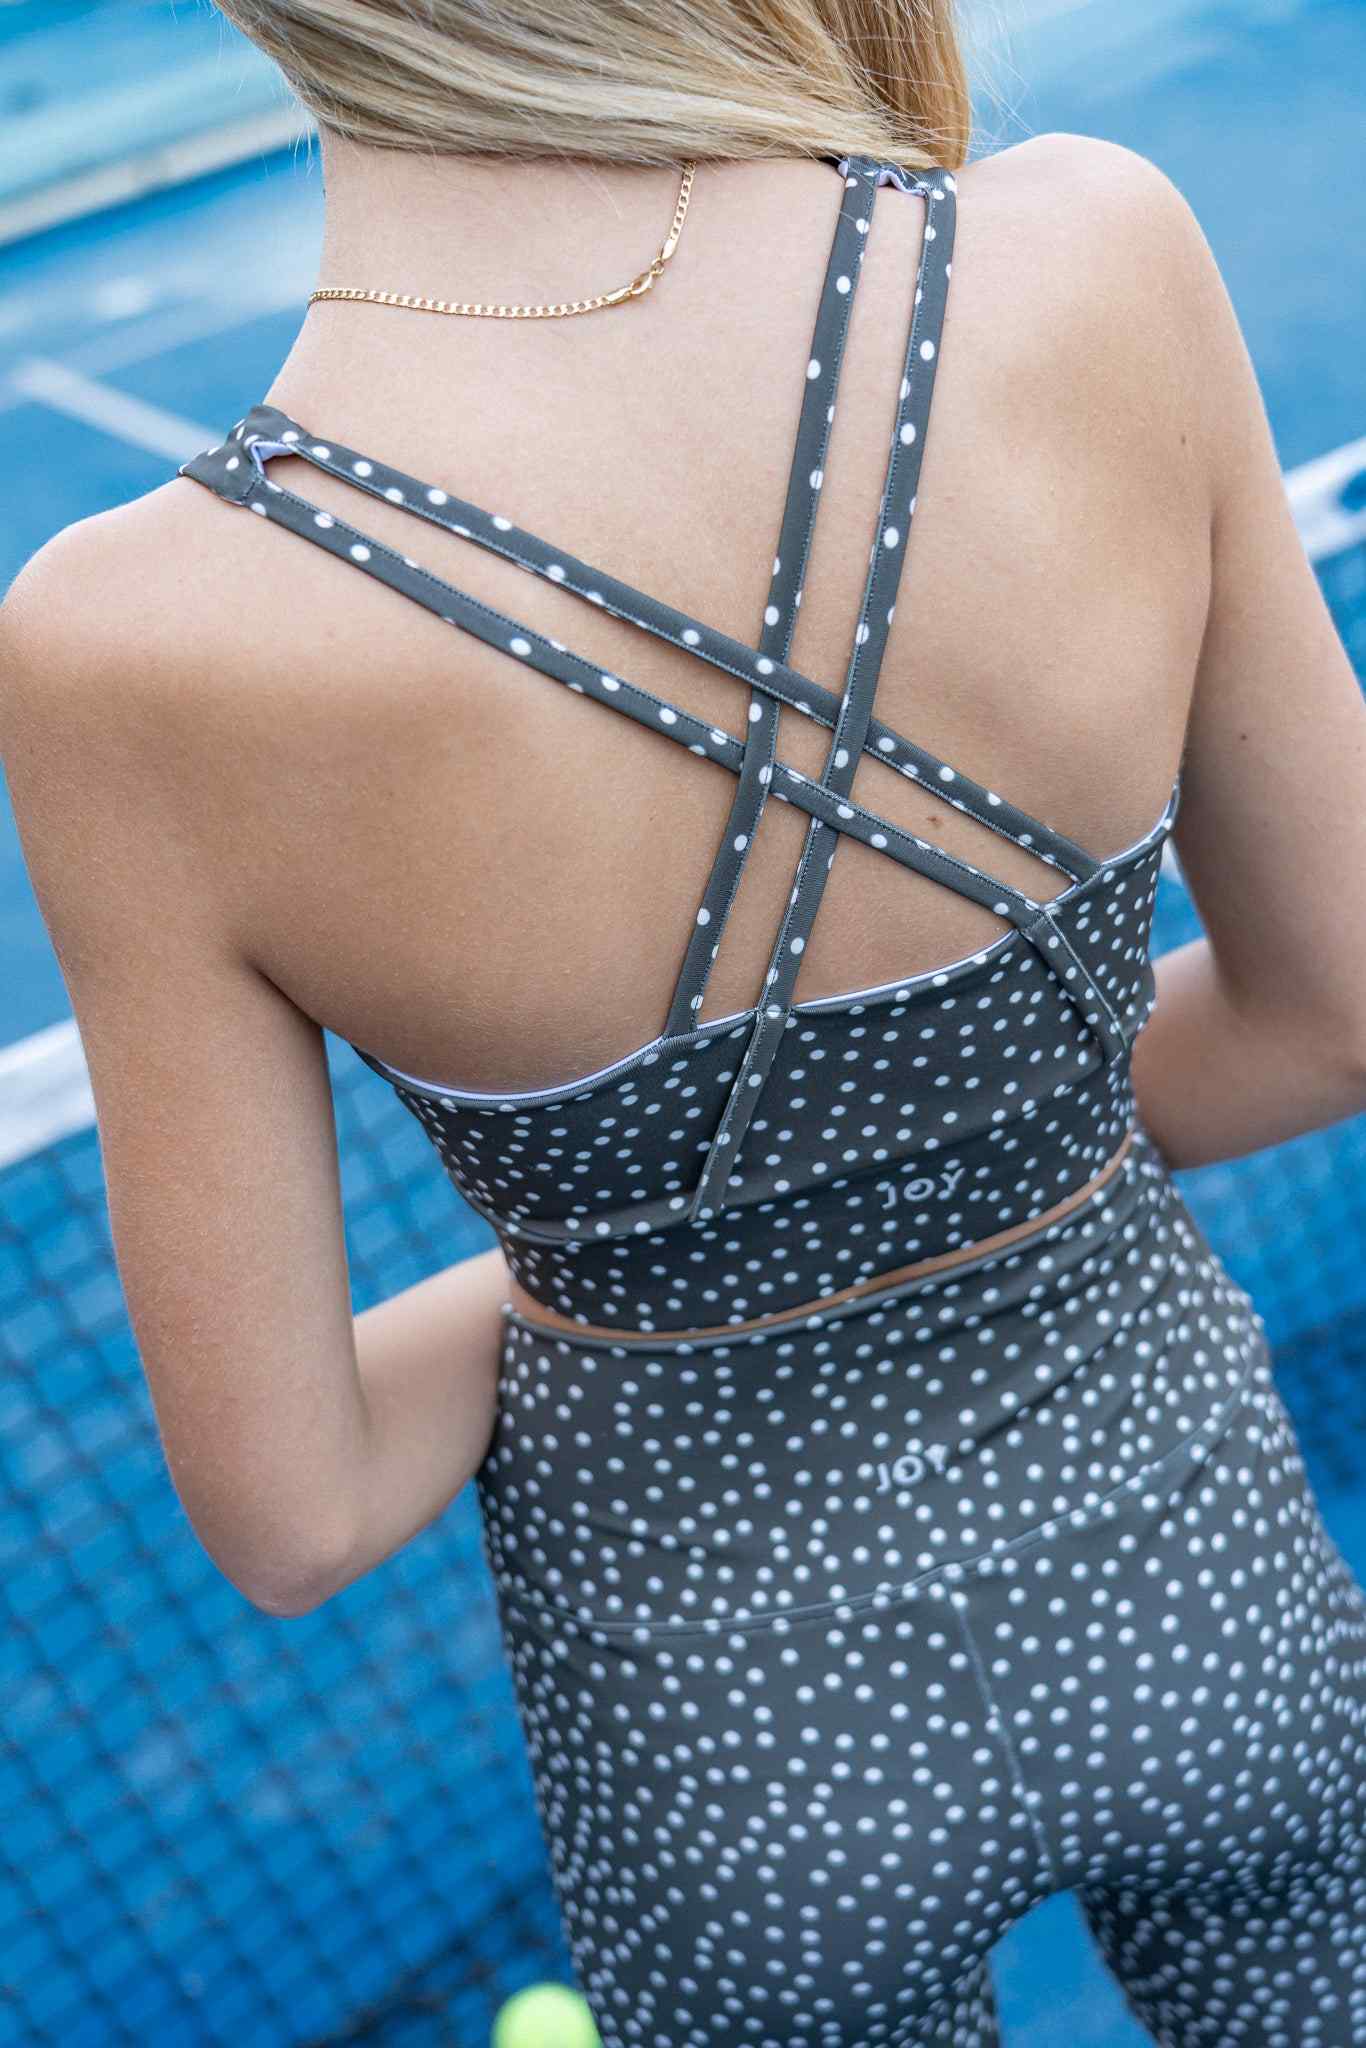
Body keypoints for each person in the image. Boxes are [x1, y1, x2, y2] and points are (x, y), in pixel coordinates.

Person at [3, 1, 1366, 2041]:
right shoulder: (1097, 248)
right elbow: (1332, 1013)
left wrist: (652, 1271)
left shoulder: (128, 640)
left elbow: (294, 1508)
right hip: (1208, 1605)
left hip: (734, 1777)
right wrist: (960, 1175)